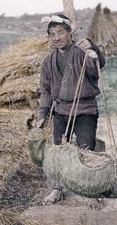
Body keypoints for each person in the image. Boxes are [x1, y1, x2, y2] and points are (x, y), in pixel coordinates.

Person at [36, 14, 106, 205]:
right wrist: (43, 113)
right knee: (59, 151)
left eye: (60, 32)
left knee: (86, 151)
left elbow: (98, 66)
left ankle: (90, 192)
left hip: (85, 109)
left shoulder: (82, 52)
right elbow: (46, 90)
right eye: (52, 34)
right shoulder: (49, 61)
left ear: (70, 33)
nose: (56, 37)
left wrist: (92, 48)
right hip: (61, 111)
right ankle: (57, 189)